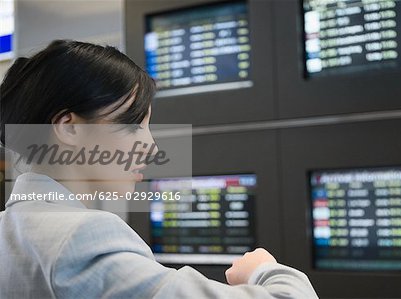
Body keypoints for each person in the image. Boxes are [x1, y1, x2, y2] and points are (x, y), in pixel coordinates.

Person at [0, 40, 319, 298]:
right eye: (132, 126)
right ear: (69, 128)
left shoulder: (9, 228)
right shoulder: (82, 237)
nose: (151, 146)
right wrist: (264, 271)